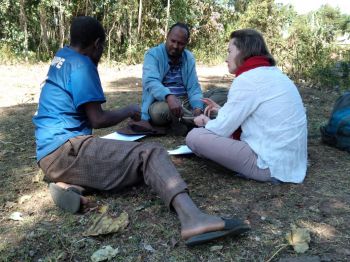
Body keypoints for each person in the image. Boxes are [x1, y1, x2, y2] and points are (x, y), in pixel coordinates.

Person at [32, 16, 249, 246]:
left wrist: (195, 105)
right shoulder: (83, 65)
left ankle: (68, 183)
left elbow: (194, 87)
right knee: (151, 154)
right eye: (102, 47)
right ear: (97, 44)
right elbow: (97, 119)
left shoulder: (62, 56)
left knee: (132, 169)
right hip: (68, 149)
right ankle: (193, 219)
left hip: (48, 153)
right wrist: (129, 110)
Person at [186, 29, 307, 184]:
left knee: (194, 137)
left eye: (230, 51)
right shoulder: (275, 74)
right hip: (292, 162)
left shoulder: (247, 79)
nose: (226, 58)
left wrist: (204, 121)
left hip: (269, 165)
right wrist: (223, 111)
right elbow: (259, 114)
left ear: (243, 52)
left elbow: (221, 129)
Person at [141, 22, 228, 135]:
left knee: (224, 92)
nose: (176, 46)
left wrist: (197, 107)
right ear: (167, 37)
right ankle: (209, 119)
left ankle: (195, 118)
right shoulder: (153, 55)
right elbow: (150, 81)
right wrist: (169, 96)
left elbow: (194, 87)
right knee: (158, 112)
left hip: (186, 102)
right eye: (173, 41)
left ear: (186, 43)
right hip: (162, 102)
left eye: (181, 43)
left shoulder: (188, 57)